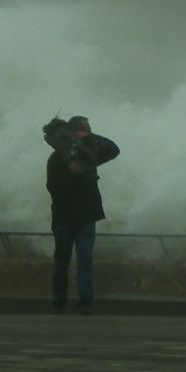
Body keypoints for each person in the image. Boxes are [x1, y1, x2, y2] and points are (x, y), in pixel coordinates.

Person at [44, 114, 120, 315]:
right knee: (62, 262)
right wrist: (72, 174)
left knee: (85, 261)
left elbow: (113, 149)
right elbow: (53, 188)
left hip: (87, 216)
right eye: (85, 128)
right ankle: (59, 302)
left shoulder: (88, 155)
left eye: (88, 129)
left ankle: (85, 302)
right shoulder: (56, 159)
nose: (88, 132)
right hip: (64, 217)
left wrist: (89, 136)